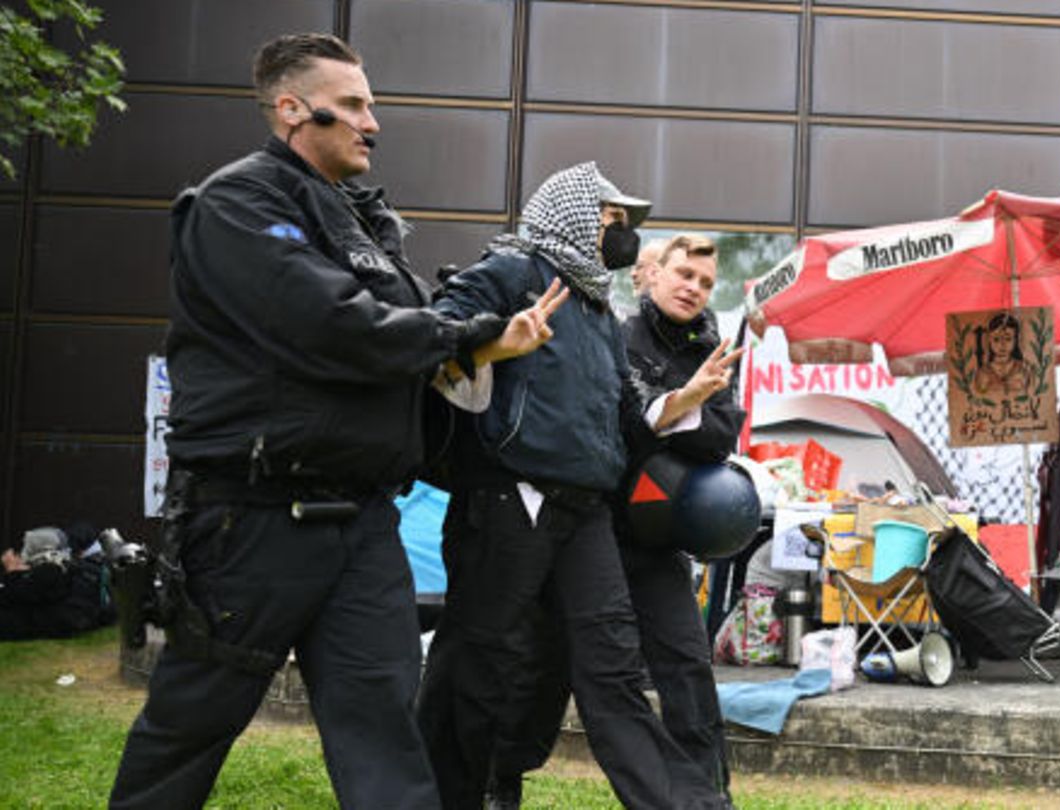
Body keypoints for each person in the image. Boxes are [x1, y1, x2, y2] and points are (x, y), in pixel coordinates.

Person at [109, 33, 562, 810]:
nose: (372, 123)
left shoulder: (365, 227)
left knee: (386, 730)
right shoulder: (234, 203)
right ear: (292, 109)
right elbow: (330, 323)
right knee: (191, 725)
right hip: (250, 519)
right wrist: (463, 336)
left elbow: (402, 348)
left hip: (363, 524)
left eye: (371, 105)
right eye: (352, 104)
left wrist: (478, 355)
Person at [418, 163, 738, 810]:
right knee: (476, 662)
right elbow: (435, 332)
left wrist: (685, 399)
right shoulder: (513, 271)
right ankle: (446, 793)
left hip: (585, 513)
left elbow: (628, 416)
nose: (620, 234)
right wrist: (495, 344)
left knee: (614, 671)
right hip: (511, 499)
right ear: (572, 213)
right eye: (611, 219)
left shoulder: (595, 307)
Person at [488, 232, 746, 806]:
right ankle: (499, 780)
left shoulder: (714, 348)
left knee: (687, 666)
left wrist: (674, 409)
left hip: (660, 545)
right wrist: (678, 406)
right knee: (542, 671)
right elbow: (621, 425)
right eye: (683, 274)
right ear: (651, 274)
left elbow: (721, 435)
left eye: (705, 282)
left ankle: (708, 796)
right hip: (592, 533)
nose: (693, 288)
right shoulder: (616, 334)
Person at [973, 312, 1035, 397]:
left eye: (1008, 339)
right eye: (996, 339)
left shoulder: (1024, 370)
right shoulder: (983, 373)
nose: (1002, 344)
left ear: (1015, 340)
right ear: (989, 341)